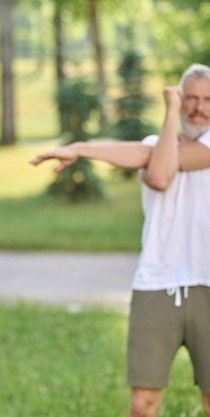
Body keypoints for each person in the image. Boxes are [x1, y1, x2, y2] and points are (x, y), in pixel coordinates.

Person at [30, 63, 210, 417]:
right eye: (188, 98)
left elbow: (157, 173)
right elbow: (156, 165)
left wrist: (170, 114)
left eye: (207, 99)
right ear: (178, 97)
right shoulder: (155, 144)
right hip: (156, 285)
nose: (198, 107)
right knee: (142, 405)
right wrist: (79, 147)